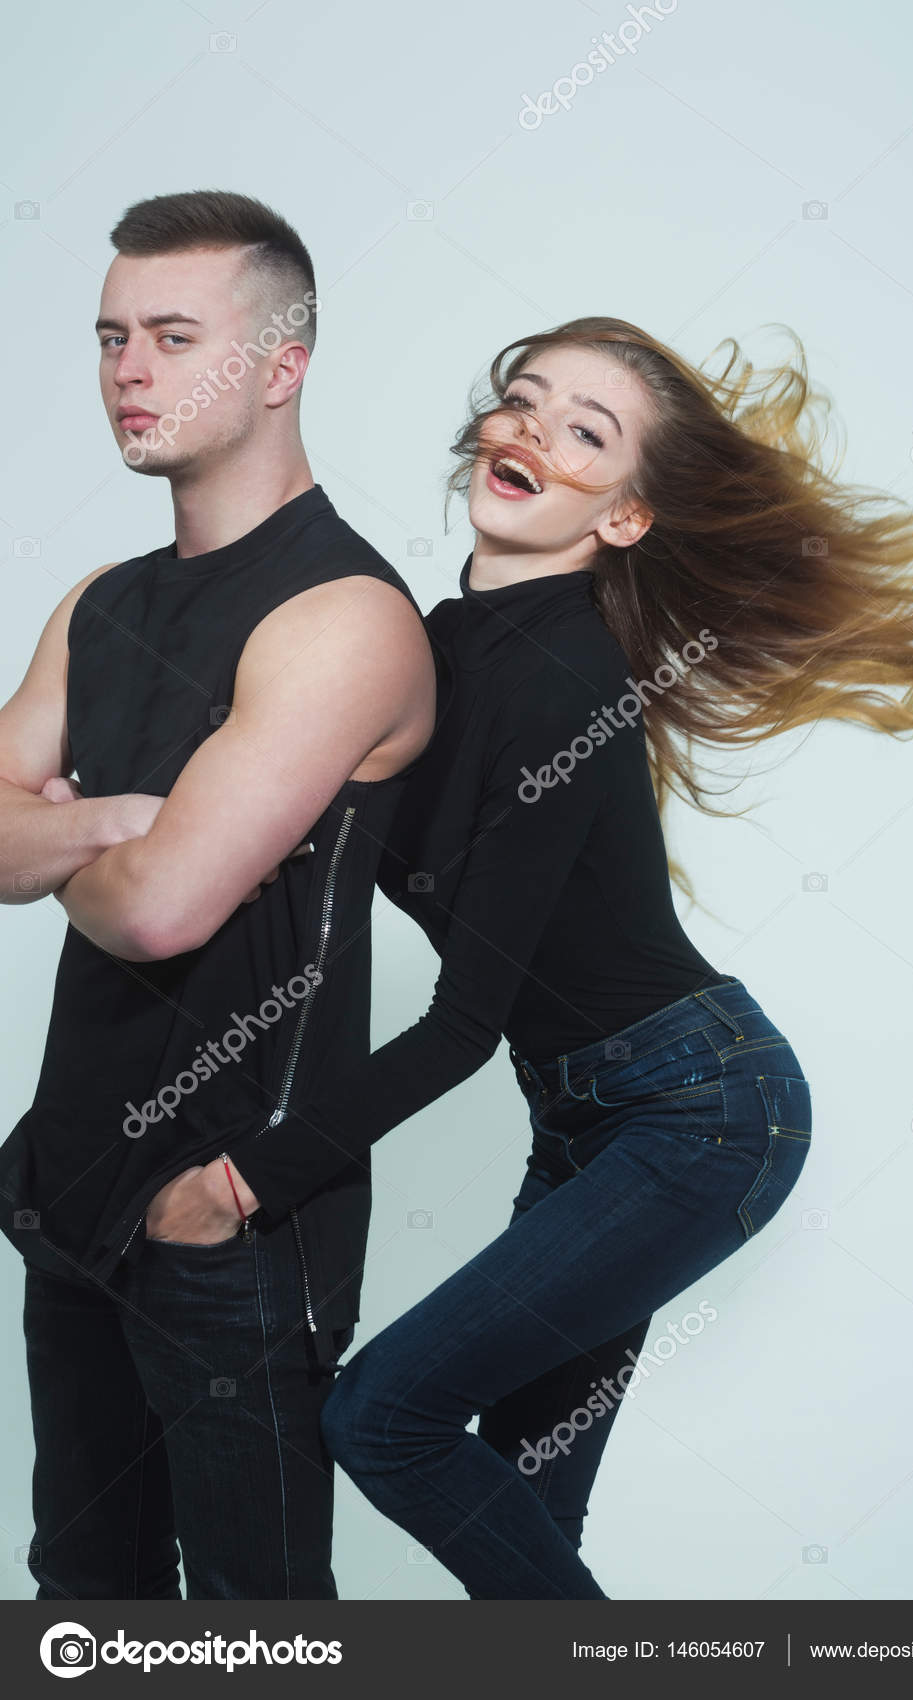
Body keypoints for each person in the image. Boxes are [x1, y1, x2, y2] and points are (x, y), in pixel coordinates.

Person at [229, 317, 913, 1600]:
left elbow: (462, 1023)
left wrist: (246, 1175)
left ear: (623, 518)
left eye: (585, 433)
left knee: (383, 1416)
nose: (532, 431)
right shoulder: (417, 649)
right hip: (591, 1118)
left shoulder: (566, 676)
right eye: (524, 401)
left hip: (699, 1114)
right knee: (528, 1500)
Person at [0, 189, 437, 1600]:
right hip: (69, 1189)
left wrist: (62, 837)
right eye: (112, 336)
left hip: (223, 1213)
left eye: (174, 334)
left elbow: (161, 914)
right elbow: (127, 865)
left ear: (280, 362)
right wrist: (133, 819)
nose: (129, 368)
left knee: (256, 1628)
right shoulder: (101, 602)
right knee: (85, 1594)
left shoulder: (343, 616)